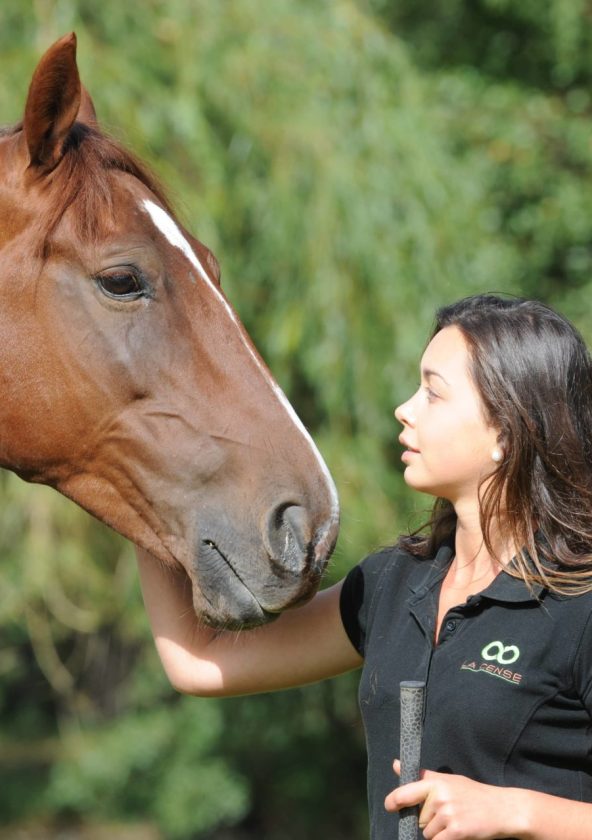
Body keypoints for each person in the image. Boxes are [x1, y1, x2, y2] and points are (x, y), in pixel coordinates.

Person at [137, 294, 592, 839]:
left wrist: (519, 813)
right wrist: (141, 482)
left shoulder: (580, 603)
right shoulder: (392, 584)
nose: (405, 409)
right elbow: (198, 660)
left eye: (433, 393)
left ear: (505, 432)